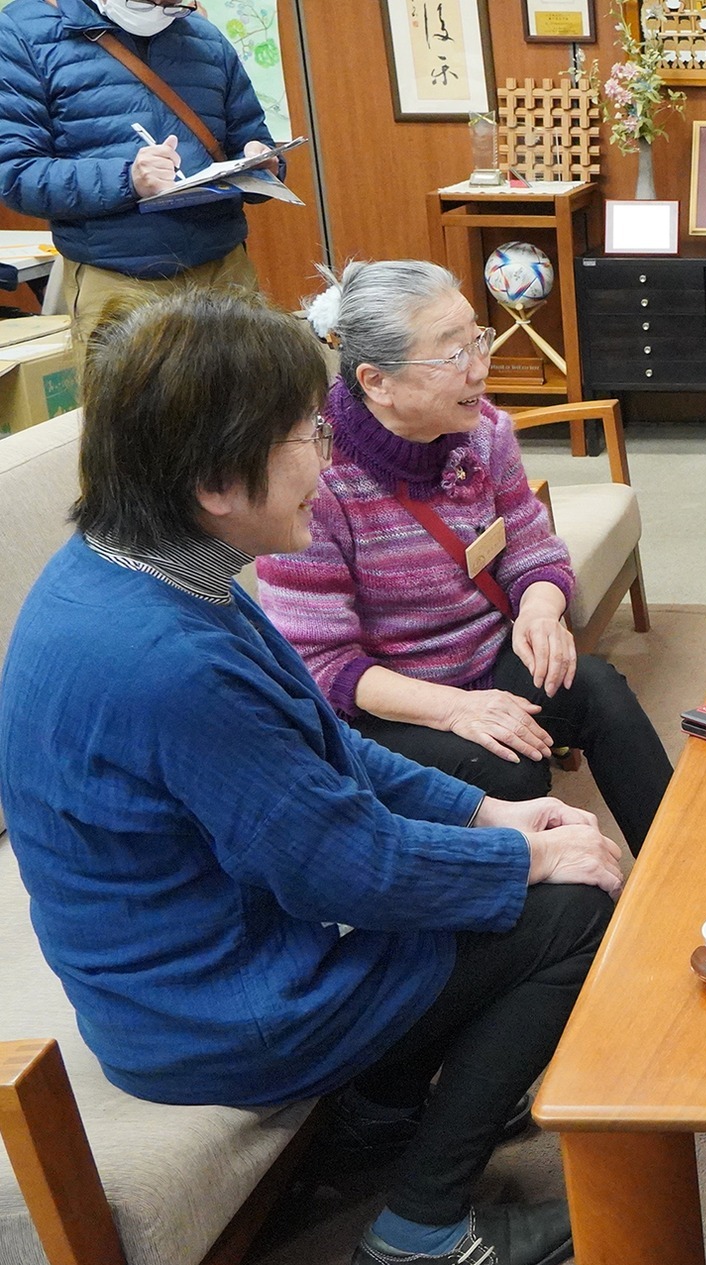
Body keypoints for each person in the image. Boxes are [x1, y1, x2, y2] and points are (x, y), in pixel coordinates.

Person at [0, 289, 625, 1265]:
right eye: (304, 434)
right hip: (215, 1010)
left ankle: (379, 1116)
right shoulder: (167, 658)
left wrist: (487, 819)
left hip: (208, 966)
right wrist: (526, 862)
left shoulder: (146, 571)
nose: (329, 459)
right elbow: (347, 868)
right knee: (573, 908)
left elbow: (325, 747)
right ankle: (419, 1233)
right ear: (212, 481)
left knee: (527, 854)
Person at [259, 260, 673, 854]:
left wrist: (538, 611)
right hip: (386, 701)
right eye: (453, 355)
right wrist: (455, 710)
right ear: (377, 381)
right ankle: (542, 918)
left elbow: (535, 552)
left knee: (598, 689)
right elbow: (321, 666)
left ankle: (678, 866)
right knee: (507, 769)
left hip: (482, 653)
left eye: (477, 339)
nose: (481, 367)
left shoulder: (483, 433)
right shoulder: (317, 478)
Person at [0, 0, 281, 341]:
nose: (172, 6)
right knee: (132, 395)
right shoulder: (23, 32)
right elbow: (16, 173)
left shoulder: (204, 37)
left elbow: (249, 137)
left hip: (225, 271)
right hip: (119, 282)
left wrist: (263, 163)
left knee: (251, 394)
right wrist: (128, 179)